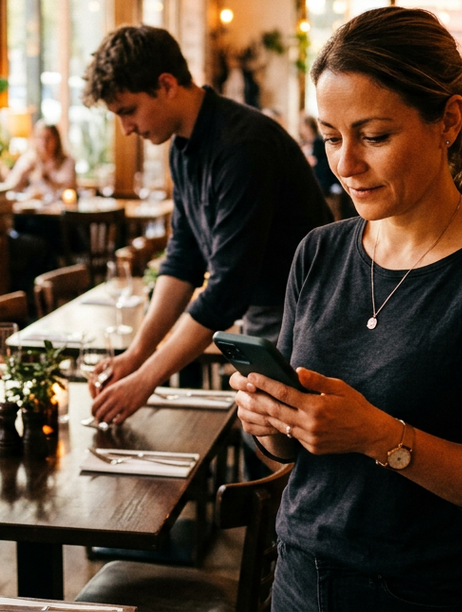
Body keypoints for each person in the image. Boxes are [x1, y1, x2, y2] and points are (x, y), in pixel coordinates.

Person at [228, 7, 462, 611]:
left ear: (448, 120)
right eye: (331, 138)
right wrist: (271, 423)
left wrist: (381, 437)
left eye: (374, 136)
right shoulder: (319, 252)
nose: (346, 165)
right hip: (299, 579)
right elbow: (291, 452)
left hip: (434, 593)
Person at [81, 25, 333, 426]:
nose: (126, 128)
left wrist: (146, 380)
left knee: (273, 440)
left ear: (166, 85)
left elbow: (227, 289)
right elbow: (183, 258)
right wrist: (137, 354)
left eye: (127, 111)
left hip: (304, 313)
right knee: (257, 432)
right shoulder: (183, 145)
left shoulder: (243, 145)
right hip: (263, 308)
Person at [5, 120, 77, 199]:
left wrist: (47, 178)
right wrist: (22, 175)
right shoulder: (29, 159)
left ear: (56, 139)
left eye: (48, 138)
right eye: (40, 137)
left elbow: (70, 189)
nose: (44, 142)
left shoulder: (67, 161)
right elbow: (9, 187)